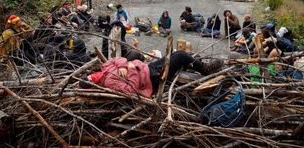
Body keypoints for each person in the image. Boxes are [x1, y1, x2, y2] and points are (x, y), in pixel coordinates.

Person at [78, 51, 223, 98]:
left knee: (174, 54)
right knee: (180, 56)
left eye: (89, 76)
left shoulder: (105, 69)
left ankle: (195, 65)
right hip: (151, 79)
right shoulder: (109, 83)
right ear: (93, 84)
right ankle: (204, 68)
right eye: (90, 80)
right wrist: (132, 68)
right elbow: (132, 89)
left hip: (148, 68)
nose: (93, 77)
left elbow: (117, 59)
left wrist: (124, 64)